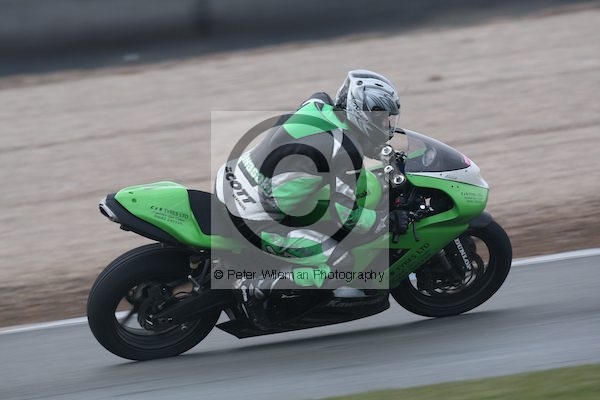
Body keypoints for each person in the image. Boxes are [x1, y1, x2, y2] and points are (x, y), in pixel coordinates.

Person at [215, 69, 409, 324]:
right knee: (341, 262)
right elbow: (347, 218)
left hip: (230, 179)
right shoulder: (344, 150)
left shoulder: (317, 104)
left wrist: (371, 147)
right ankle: (253, 286)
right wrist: (384, 222)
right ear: (362, 113)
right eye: (382, 118)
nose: (387, 125)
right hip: (255, 220)